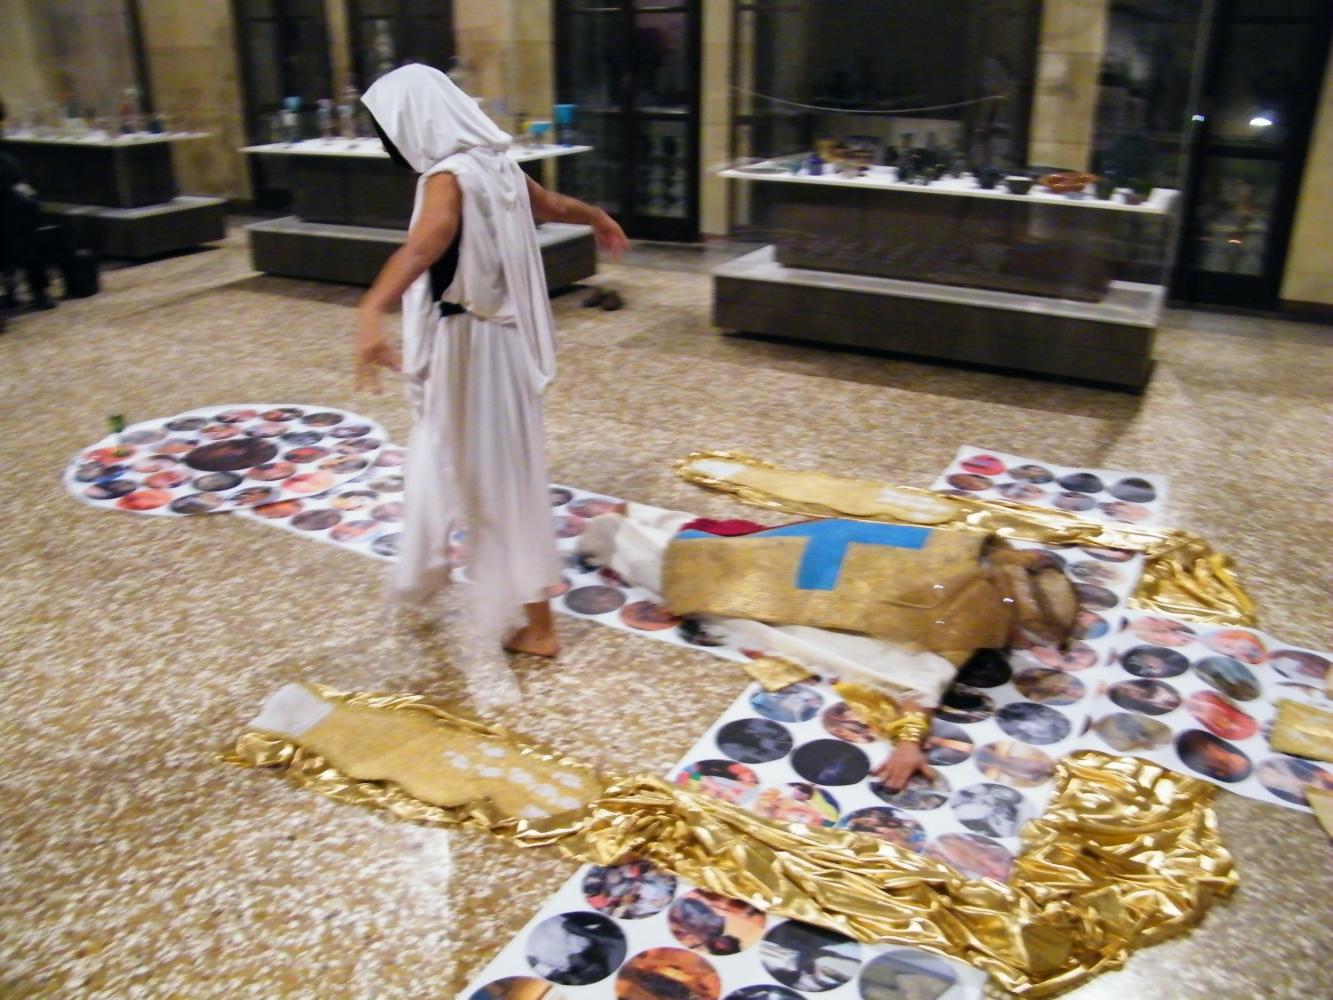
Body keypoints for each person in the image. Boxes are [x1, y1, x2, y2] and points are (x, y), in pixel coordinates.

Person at [355, 65, 627, 658]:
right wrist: (595, 216)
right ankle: (431, 571)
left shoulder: (447, 177)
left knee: (490, 477)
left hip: (468, 346)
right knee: (473, 464)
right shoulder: (496, 163)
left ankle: (535, 625)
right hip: (498, 343)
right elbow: (549, 204)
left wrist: (371, 308)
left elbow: (424, 245)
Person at [578, 501, 1078, 788]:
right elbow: (925, 683)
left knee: (736, 549)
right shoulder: (971, 614)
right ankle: (616, 535)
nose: (1023, 643)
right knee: (708, 581)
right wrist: (908, 743)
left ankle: (647, 527)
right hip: (812, 571)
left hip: (821, 543)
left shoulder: (979, 548)